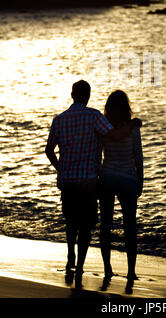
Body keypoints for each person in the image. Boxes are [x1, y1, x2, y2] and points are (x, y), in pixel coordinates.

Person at [45, 80, 141, 287]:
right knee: (95, 225)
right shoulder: (95, 117)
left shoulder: (59, 119)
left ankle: (82, 259)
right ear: (87, 96)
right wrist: (134, 124)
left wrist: (61, 168)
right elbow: (122, 142)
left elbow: (49, 150)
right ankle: (86, 267)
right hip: (95, 180)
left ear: (72, 94)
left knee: (75, 221)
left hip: (77, 179)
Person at [99, 90, 143, 293]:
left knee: (106, 225)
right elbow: (138, 157)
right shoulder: (133, 129)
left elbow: (98, 155)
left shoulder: (104, 128)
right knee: (130, 226)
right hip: (127, 179)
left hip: (107, 177)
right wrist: (140, 181)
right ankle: (131, 271)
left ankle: (107, 269)